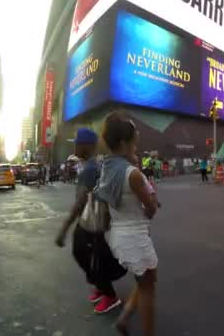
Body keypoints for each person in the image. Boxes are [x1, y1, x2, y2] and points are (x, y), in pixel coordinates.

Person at [95, 112, 159, 336]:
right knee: (148, 287)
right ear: (123, 143)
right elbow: (150, 209)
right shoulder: (133, 174)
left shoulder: (107, 167)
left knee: (146, 280)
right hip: (134, 237)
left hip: (118, 235)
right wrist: (153, 199)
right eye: (134, 141)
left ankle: (124, 318)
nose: (136, 145)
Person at [55, 128, 124, 314]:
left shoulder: (91, 168)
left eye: (77, 143)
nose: (75, 147)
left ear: (87, 145)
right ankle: (102, 286)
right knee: (93, 256)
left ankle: (109, 295)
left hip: (91, 221)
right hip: (90, 220)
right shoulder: (90, 165)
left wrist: (63, 229)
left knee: (89, 256)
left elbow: (80, 202)